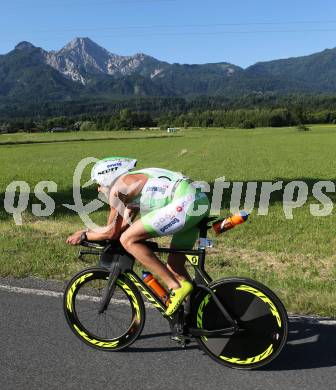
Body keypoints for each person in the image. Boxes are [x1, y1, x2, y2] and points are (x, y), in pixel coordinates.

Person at [66, 156, 210, 315]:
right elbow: (120, 227)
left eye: (98, 184)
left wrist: (84, 234)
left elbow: (112, 233)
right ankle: (198, 315)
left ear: (106, 177)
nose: (98, 189)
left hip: (185, 202)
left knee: (127, 239)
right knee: (175, 267)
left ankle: (176, 287)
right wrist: (96, 233)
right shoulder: (132, 185)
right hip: (198, 200)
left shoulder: (119, 188)